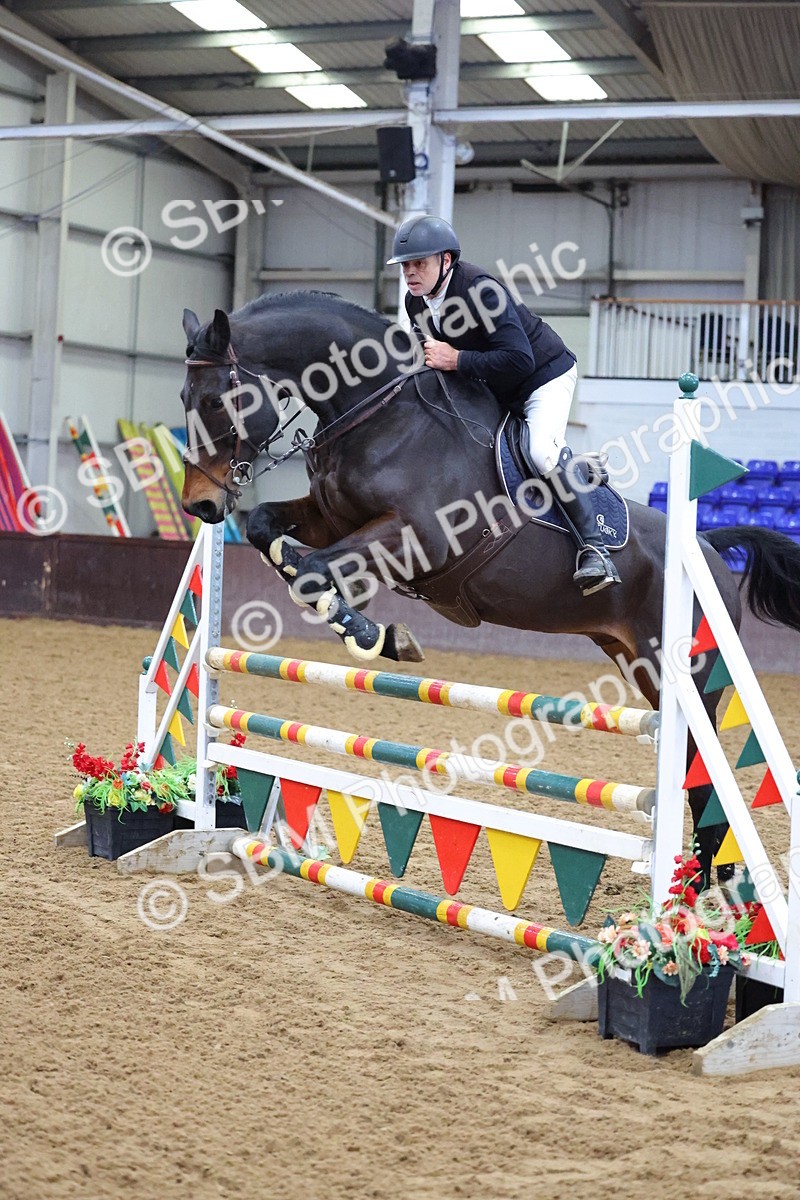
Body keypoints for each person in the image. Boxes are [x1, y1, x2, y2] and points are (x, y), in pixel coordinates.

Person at [387, 214, 619, 595]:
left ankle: (594, 549)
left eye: (420, 263)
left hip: (543, 377)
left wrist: (457, 359)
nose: (410, 273)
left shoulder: (482, 292)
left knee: (541, 452)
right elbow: (435, 358)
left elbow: (519, 360)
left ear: (446, 260)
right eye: (406, 266)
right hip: (494, 385)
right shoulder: (417, 303)